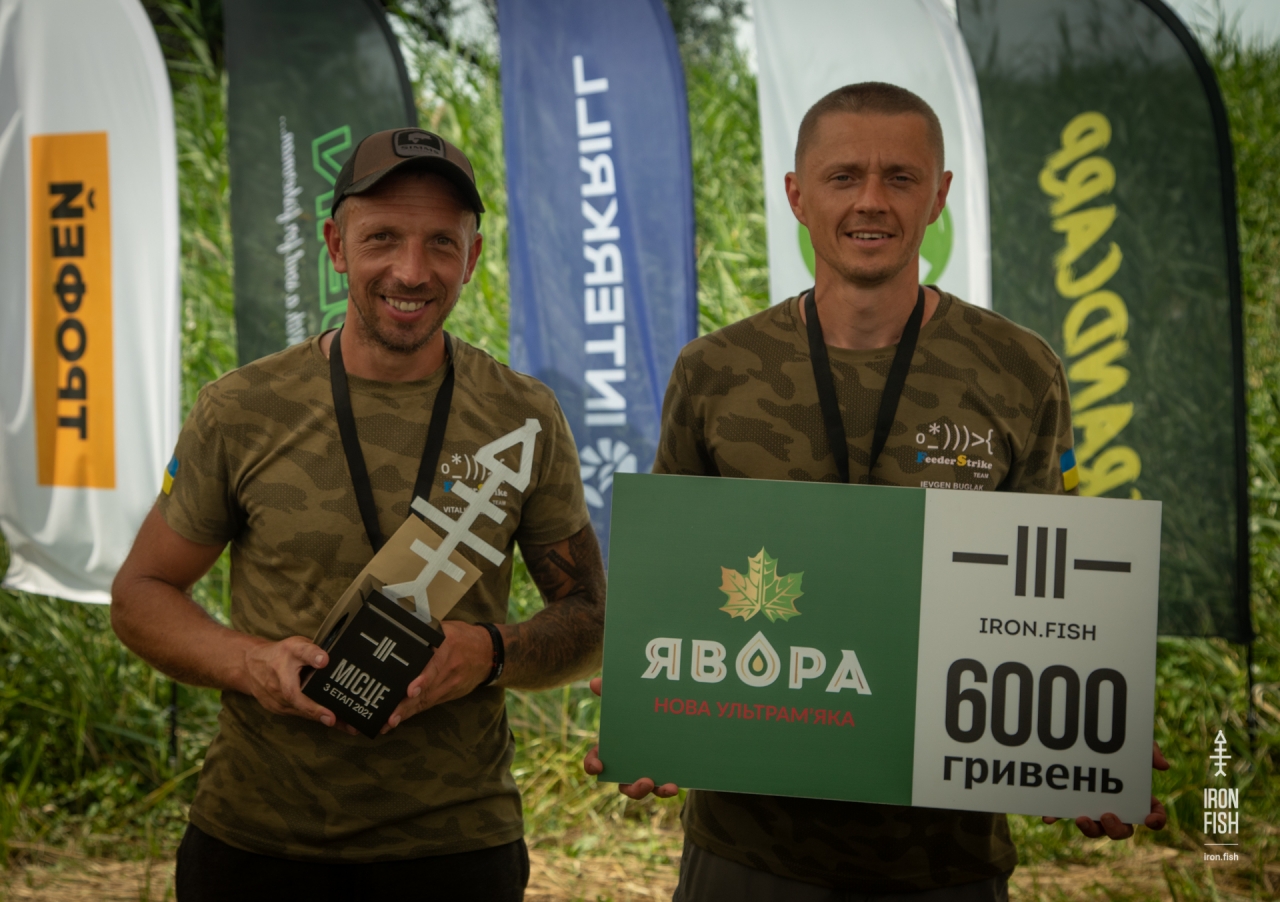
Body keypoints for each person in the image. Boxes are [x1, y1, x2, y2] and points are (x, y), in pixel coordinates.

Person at [584, 83, 1168, 900]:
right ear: (797, 195)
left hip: (943, 854)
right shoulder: (715, 371)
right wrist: (652, 713)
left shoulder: (1019, 369)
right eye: (843, 176)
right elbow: (674, 586)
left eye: (900, 177)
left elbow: (1051, 593)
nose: (871, 201)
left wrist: (1081, 747)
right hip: (750, 848)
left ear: (939, 196)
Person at [112, 128, 605, 901]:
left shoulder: (523, 418)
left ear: (472, 258)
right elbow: (141, 593)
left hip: (456, 847)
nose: (412, 271)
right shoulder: (242, 409)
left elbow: (588, 616)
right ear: (336, 246)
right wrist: (252, 665)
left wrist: (487, 653)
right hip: (257, 840)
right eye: (382, 239)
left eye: (441, 243)